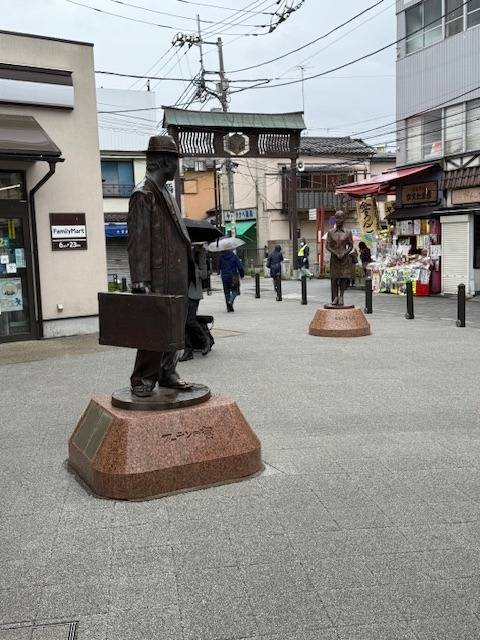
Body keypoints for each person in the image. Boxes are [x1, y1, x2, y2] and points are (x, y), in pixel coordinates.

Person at [127, 135, 194, 397]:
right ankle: (143, 377)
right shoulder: (143, 194)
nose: (177, 166)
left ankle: (168, 371)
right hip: (157, 276)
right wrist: (140, 280)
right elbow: (138, 241)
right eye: (175, 161)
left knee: (174, 327)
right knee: (154, 328)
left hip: (174, 274)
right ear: (165, 162)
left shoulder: (165, 192)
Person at [179, 244, 210, 362]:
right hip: (182, 291)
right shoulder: (183, 251)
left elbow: (204, 275)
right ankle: (188, 351)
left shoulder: (201, 254)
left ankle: (205, 340)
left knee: (190, 320)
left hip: (193, 292)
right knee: (183, 322)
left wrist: (194, 270)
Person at [325, 210, 354, 306]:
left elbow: (351, 246)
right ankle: (335, 297)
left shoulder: (348, 232)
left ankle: (341, 296)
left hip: (344, 259)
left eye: (340, 218)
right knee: (334, 278)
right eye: (336, 218)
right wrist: (335, 253)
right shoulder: (330, 232)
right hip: (334, 258)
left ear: (344, 219)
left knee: (343, 278)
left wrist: (345, 253)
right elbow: (327, 246)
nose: (338, 220)